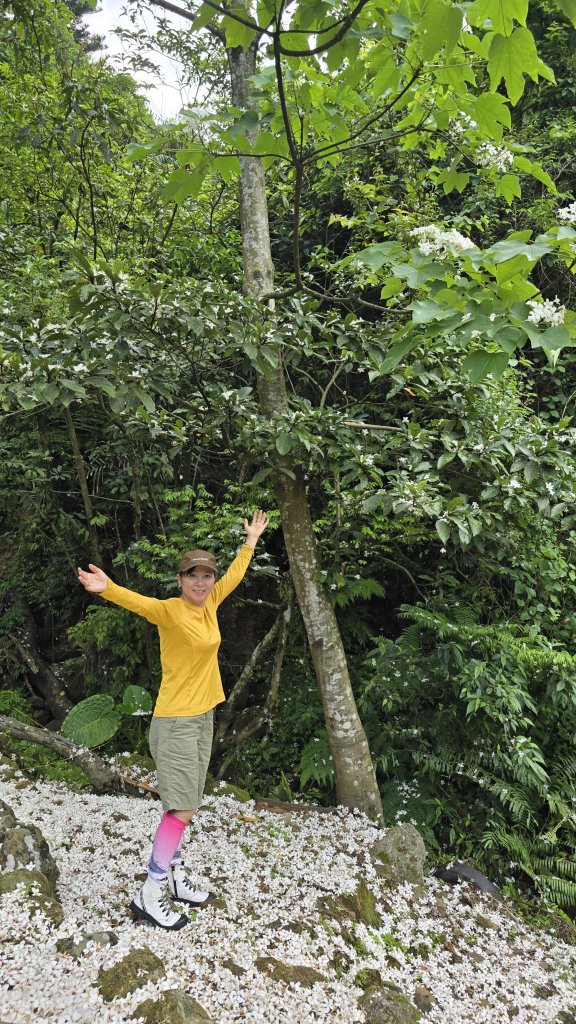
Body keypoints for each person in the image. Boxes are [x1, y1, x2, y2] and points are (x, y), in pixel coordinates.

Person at [77, 509, 269, 929]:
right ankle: (151, 888)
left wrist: (250, 540)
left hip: (202, 717)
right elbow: (138, 602)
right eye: (193, 575)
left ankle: (176, 877)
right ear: (180, 579)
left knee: (186, 805)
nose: (201, 582)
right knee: (180, 809)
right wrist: (107, 588)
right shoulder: (170, 610)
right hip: (176, 720)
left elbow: (235, 575)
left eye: (206, 576)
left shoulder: (212, 601)